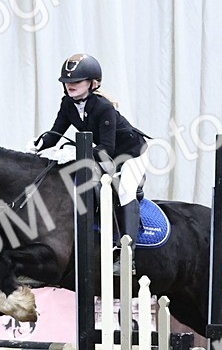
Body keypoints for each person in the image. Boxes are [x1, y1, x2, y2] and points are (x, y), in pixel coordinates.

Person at [33, 53, 148, 258]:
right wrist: (37, 147)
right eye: (67, 81)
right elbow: (55, 134)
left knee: (124, 191)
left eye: (76, 81)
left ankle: (126, 253)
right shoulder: (67, 104)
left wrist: (74, 152)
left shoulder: (104, 108)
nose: (70, 85)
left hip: (132, 154)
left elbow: (106, 149)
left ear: (92, 83)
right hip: (106, 154)